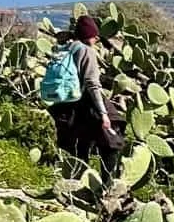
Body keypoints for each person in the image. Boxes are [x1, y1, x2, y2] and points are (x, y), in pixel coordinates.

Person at [50, 14, 121, 164]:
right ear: (87, 35)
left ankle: (79, 180)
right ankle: (106, 184)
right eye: (94, 35)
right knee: (113, 139)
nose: (96, 39)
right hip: (86, 100)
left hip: (65, 103)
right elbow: (92, 83)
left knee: (80, 143)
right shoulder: (86, 51)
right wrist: (104, 113)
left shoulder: (66, 48)